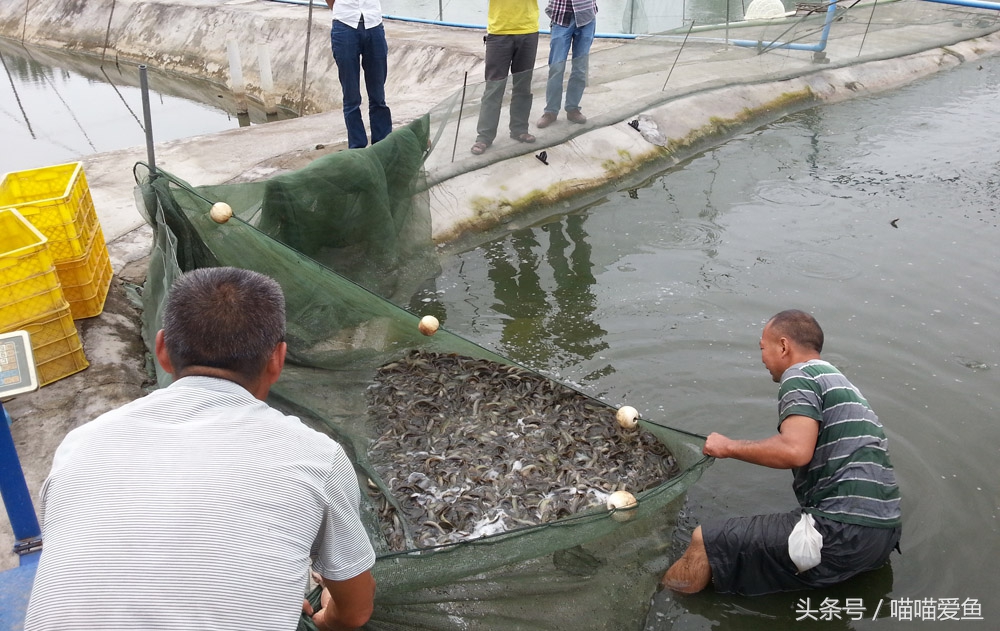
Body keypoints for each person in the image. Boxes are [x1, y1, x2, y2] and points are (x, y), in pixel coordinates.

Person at [24, 267, 377, 631]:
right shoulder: (317, 457)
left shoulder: (81, 444)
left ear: (161, 349)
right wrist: (325, 617)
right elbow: (354, 612)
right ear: (277, 359)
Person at [662, 309, 902, 596]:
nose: (763, 359)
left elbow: (795, 451)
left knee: (704, 541)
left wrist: (727, 447)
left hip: (841, 532)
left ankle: (669, 599)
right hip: (882, 536)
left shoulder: (799, 376)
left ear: (784, 346)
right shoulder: (841, 383)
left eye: (763, 348)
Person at [471, 0, 540, 155]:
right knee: (494, 87)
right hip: (499, 32)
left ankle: (519, 129)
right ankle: (484, 136)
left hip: (528, 30)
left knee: (523, 85)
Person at [326, 0, 392, 149]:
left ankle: (383, 145)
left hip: (374, 23)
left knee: (378, 96)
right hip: (345, 24)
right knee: (351, 97)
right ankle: (358, 148)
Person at [537, 0, 598, 129]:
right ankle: (550, 111)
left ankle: (573, 108)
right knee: (556, 67)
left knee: (580, 68)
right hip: (561, 16)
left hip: (586, 15)